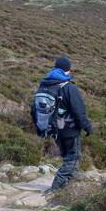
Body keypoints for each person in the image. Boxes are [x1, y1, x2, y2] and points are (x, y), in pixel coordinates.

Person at [34, 56, 93, 192]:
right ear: (67, 70)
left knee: (67, 158)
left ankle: (66, 189)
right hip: (70, 130)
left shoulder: (45, 84)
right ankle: (54, 190)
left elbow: (34, 108)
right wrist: (87, 127)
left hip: (55, 131)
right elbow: (79, 111)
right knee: (72, 159)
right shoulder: (68, 87)